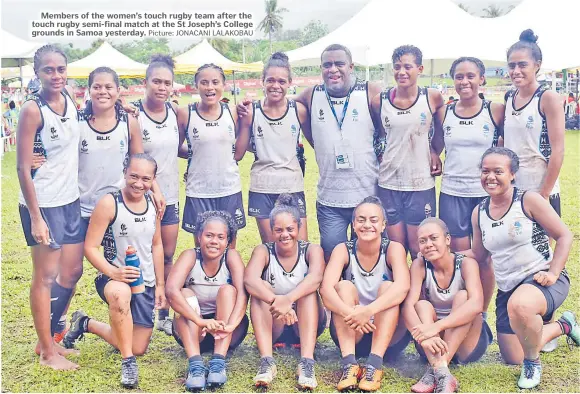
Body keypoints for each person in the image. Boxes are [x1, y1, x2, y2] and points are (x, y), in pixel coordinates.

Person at [466, 147, 579, 389]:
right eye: (485, 171)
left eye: (498, 171)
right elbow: (478, 254)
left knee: (521, 308)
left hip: (541, 278)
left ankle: (533, 363)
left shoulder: (528, 200)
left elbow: (564, 236)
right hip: (509, 289)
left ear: (513, 174)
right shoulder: (479, 213)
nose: (490, 177)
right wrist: (443, 253)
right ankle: (564, 325)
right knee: (512, 356)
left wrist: (553, 272)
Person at [63, 154, 166, 388]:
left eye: (146, 178)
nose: (139, 183)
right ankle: (128, 363)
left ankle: (85, 323)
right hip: (112, 278)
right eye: (134, 176)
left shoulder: (154, 204)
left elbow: (157, 244)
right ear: (125, 173)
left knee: (138, 345)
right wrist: (113, 272)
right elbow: (90, 247)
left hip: (145, 281)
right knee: (121, 296)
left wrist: (160, 285)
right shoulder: (110, 203)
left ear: (153, 179)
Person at [16, 44, 83, 370]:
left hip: (70, 200)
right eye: (48, 70)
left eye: (60, 69)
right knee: (44, 277)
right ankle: (46, 351)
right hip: (44, 205)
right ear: (36, 73)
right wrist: (36, 217)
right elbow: (21, 167)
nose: (56, 75)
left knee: (71, 271)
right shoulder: (32, 109)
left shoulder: (68, 98)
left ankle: (51, 340)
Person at [295, 44, 383, 262]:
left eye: (339, 64)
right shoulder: (311, 96)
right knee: (333, 259)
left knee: (368, 257)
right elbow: (285, 112)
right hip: (330, 200)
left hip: (367, 197)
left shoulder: (369, 91)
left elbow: (388, 128)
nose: (333, 69)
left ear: (351, 66)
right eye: (327, 65)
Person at [432, 57, 504, 314]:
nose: (465, 82)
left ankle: (481, 313)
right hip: (453, 193)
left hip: (486, 195)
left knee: (484, 258)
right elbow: (437, 144)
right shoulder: (445, 112)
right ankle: (460, 312)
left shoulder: (495, 110)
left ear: (481, 79)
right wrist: (433, 154)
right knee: (459, 257)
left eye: (471, 76)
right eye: (459, 77)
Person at [320, 197, 411, 392]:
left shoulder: (394, 249)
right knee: (343, 287)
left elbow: (403, 287)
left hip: (389, 334)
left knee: (389, 288)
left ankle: (374, 366)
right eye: (361, 220)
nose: (367, 225)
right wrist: (353, 314)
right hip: (353, 332)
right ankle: (349, 365)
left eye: (373, 220)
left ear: (383, 224)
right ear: (353, 225)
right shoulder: (343, 250)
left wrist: (367, 310)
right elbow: (326, 291)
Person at [244, 194, 326, 390]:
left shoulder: (311, 250)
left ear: (299, 228)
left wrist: (288, 299)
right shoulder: (263, 251)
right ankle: (267, 361)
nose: (285, 234)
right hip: (275, 324)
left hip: (306, 322)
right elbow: (249, 280)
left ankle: (307, 362)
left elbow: (316, 278)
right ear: (271, 231)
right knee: (260, 289)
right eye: (278, 230)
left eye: (290, 229)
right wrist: (277, 301)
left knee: (307, 291)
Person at [371, 45, 444, 260]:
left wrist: (434, 151)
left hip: (420, 184)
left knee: (419, 249)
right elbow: (378, 134)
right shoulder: (380, 101)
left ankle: (421, 293)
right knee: (395, 250)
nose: (401, 72)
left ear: (419, 68)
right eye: (397, 67)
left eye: (407, 66)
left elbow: (440, 131)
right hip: (388, 183)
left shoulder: (432, 98)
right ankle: (398, 293)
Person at [403, 218, 491, 393]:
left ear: (448, 240)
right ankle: (442, 371)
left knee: (463, 297)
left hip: (467, 343)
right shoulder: (419, 265)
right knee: (422, 305)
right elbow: (408, 307)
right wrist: (426, 335)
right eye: (422, 241)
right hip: (433, 344)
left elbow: (477, 304)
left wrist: (436, 326)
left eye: (434, 238)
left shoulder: (466, 263)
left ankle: (435, 370)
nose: (428, 244)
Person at [166, 211, 249, 391]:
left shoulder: (231, 257)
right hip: (194, 329)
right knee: (185, 293)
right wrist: (199, 321)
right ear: (199, 236)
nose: (214, 241)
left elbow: (243, 295)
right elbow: (171, 291)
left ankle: (218, 362)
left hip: (226, 331)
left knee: (228, 290)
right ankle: (195, 364)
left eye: (220, 237)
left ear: (228, 241)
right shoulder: (190, 256)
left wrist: (231, 325)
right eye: (209, 235)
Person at [235, 52, 310, 242]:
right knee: (271, 249)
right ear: (262, 81)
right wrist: (245, 122)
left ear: (289, 83)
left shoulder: (298, 111)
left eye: (281, 81)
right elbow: (240, 151)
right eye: (270, 80)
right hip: (262, 187)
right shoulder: (251, 110)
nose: (275, 86)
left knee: (300, 247)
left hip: (292, 185)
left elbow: (316, 142)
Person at [134, 54, 182, 336]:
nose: (162, 87)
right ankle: (141, 310)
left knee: (166, 254)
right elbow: (138, 157)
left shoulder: (175, 112)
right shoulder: (134, 114)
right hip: (142, 197)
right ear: (146, 82)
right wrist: (154, 190)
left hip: (171, 197)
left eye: (167, 83)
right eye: (156, 81)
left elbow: (182, 148)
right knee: (142, 256)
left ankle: (162, 310)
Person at [177, 63, 245, 248]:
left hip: (229, 188)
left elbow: (240, 148)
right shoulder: (185, 114)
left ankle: (230, 278)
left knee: (229, 245)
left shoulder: (233, 112)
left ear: (224, 85)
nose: (210, 87)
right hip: (199, 191)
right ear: (196, 86)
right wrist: (196, 154)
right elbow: (175, 147)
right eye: (204, 82)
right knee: (202, 247)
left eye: (215, 82)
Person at [503, 30, 565, 216]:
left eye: (522, 65)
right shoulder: (509, 98)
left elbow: (558, 150)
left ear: (537, 66)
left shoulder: (547, 98)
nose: (516, 71)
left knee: (542, 244)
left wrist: (544, 193)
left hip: (540, 189)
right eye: (511, 65)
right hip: (512, 188)